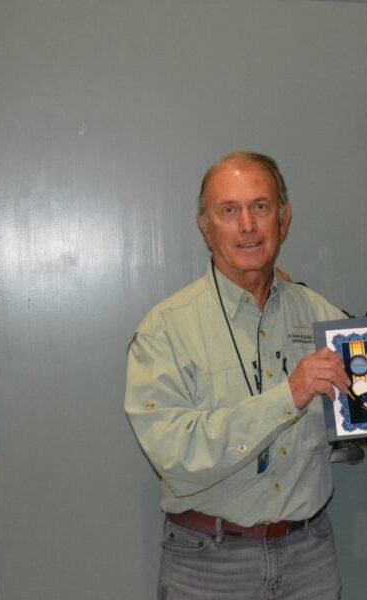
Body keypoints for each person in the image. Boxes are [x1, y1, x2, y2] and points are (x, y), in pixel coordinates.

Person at [124, 151, 350, 599]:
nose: (247, 224)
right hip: (208, 565)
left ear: (283, 219)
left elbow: (356, 421)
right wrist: (292, 394)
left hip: (308, 558)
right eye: (229, 210)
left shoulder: (322, 316)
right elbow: (176, 454)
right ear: (205, 227)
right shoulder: (166, 329)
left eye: (260, 207)